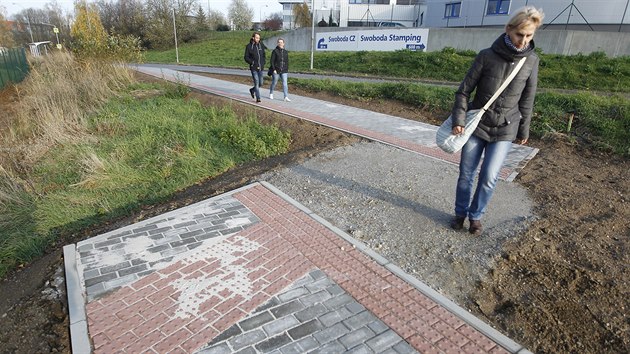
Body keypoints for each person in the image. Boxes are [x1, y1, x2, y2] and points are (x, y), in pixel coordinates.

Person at [449, 6, 544, 236]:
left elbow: (527, 99)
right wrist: (459, 119)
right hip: (477, 125)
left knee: (490, 176)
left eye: (529, 35)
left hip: (506, 128)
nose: (523, 40)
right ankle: (460, 213)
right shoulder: (486, 56)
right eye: (520, 34)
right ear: (508, 29)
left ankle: (476, 217)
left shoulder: (531, 61)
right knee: (466, 173)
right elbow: (463, 92)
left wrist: (524, 129)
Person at [244, 32, 265, 103]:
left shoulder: (261, 45)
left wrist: (263, 63)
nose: (258, 39)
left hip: (261, 68)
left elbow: (263, 55)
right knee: (256, 82)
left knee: (261, 83)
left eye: (259, 38)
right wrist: (252, 63)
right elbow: (246, 57)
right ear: (253, 37)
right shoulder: (249, 46)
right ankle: (258, 98)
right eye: (256, 38)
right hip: (254, 68)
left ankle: (252, 90)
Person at [269, 38, 291, 102]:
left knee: (285, 83)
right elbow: (272, 61)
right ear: (277, 43)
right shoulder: (275, 51)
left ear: (283, 44)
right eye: (279, 42)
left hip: (284, 70)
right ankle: (271, 93)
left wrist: (286, 69)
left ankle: (285, 96)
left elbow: (287, 61)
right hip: (276, 70)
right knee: (274, 82)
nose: (280, 43)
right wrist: (274, 69)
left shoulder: (285, 52)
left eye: (281, 42)